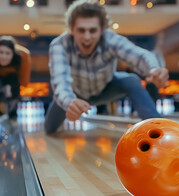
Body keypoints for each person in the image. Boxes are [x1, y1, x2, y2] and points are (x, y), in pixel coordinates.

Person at [45, 0, 169, 133]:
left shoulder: (111, 40)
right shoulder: (59, 45)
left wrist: (154, 69)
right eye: (81, 30)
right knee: (49, 129)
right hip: (74, 95)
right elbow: (60, 82)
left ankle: (158, 130)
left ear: (102, 30)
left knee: (132, 80)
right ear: (71, 29)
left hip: (106, 88)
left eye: (92, 30)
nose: (87, 37)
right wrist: (69, 102)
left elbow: (139, 55)